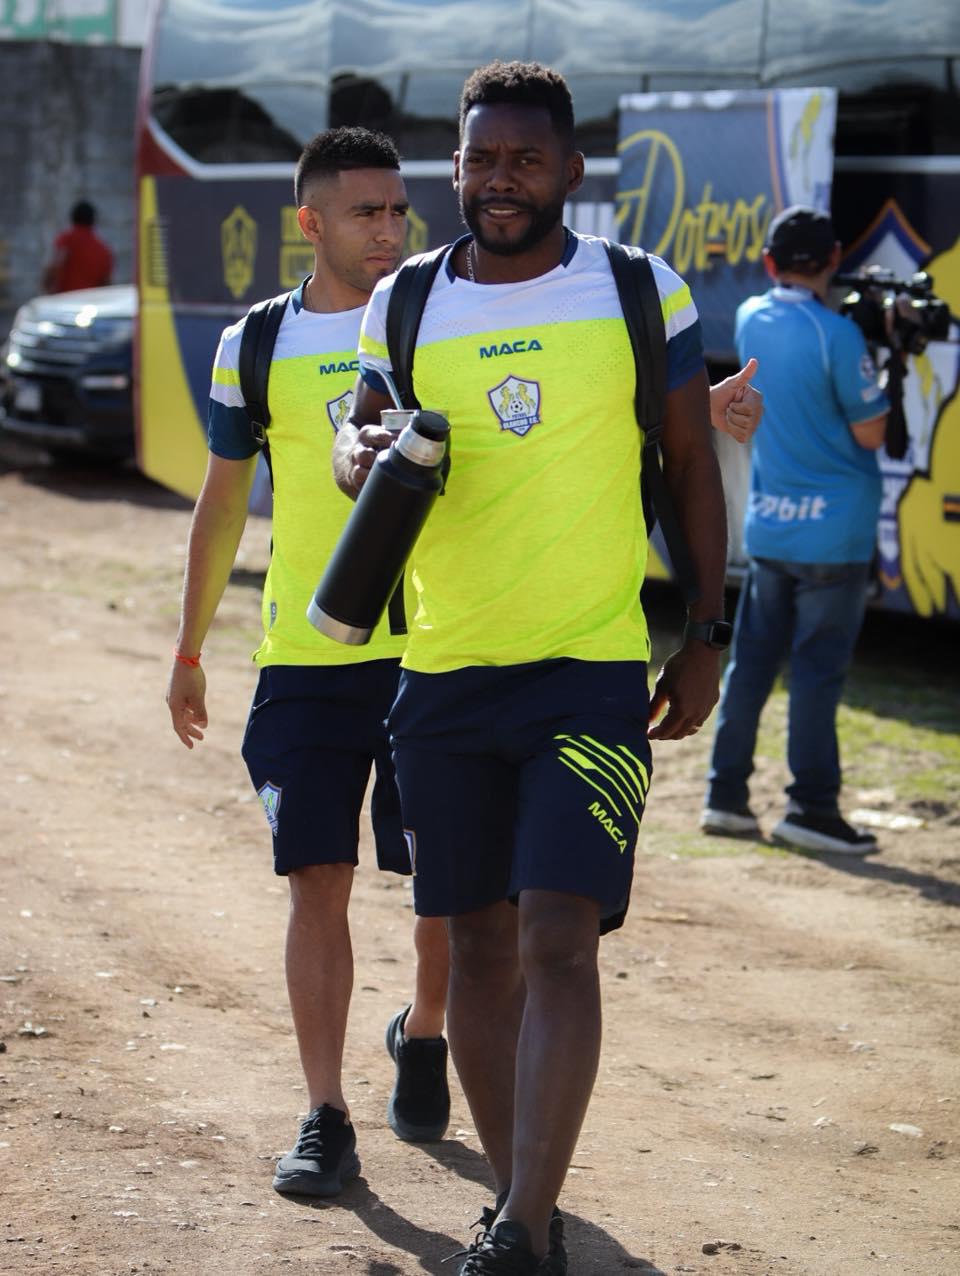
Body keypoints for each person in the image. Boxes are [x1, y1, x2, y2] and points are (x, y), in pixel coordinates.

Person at [334, 61, 739, 1275]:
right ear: (451, 167)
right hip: (446, 670)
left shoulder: (632, 288)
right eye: (476, 159)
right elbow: (361, 434)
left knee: (562, 931)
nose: (497, 180)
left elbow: (683, 467)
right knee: (480, 942)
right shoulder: (402, 299)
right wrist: (360, 452)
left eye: (523, 159)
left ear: (571, 169)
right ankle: (526, 1204)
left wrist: (706, 635)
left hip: (590, 666)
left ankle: (514, 1227)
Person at [165, 127, 450, 1199]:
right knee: (314, 880)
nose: (390, 228)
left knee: (444, 892)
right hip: (307, 655)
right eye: (367, 211)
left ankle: (423, 1029)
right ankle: (326, 1112)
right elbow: (225, 499)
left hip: (434, 648)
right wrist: (190, 646)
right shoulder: (253, 342)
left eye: (399, 210)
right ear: (311, 222)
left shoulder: (439, 319)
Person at [701, 205, 890, 855]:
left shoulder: (753, 317)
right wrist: (878, 352)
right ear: (835, 259)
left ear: (771, 264)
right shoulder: (837, 335)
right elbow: (872, 432)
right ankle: (810, 808)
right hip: (833, 535)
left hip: (770, 525)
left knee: (749, 665)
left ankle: (724, 796)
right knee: (815, 673)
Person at [42, 200, 113, 293]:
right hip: (91, 300)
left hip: (65, 300)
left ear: (73, 218)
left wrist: (48, 290)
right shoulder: (102, 249)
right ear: (93, 221)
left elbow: (54, 267)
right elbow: (106, 282)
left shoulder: (66, 241)